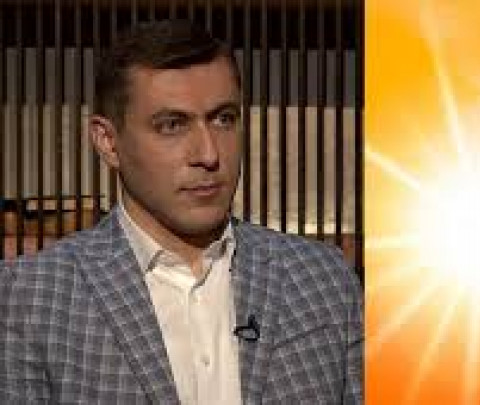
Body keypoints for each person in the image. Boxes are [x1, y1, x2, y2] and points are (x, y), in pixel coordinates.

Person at [0, 20, 363, 404]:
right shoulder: (28, 298)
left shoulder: (322, 279)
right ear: (108, 142)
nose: (208, 154)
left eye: (223, 119)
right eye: (172, 125)